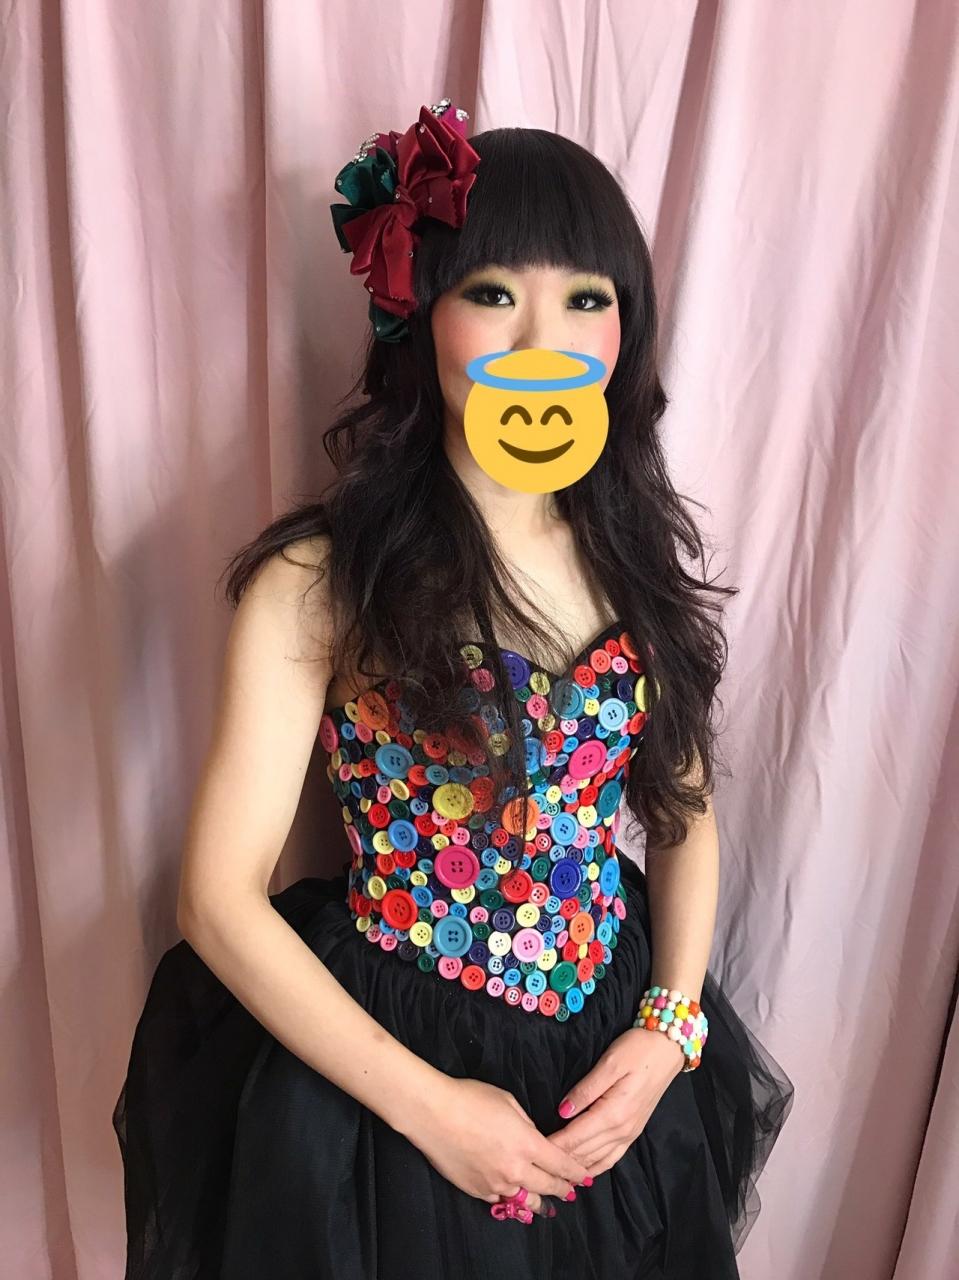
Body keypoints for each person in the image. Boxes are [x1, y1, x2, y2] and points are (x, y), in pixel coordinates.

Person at [112, 98, 794, 1280]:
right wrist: (432, 1108)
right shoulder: (320, 578)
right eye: (491, 291)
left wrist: (667, 1028)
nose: (542, 336)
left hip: (607, 1046)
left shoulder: (634, 557)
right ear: (419, 308)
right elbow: (216, 898)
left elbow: (683, 812)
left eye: (584, 298)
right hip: (388, 1072)